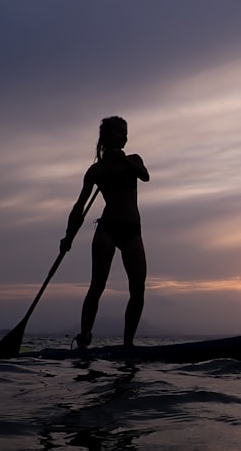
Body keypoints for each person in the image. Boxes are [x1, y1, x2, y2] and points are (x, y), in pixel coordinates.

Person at [60, 116, 150, 348]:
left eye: (125, 132)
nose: (124, 136)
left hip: (132, 230)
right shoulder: (97, 171)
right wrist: (68, 236)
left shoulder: (134, 160)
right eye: (118, 132)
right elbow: (79, 207)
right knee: (97, 285)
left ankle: (128, 345)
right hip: (107, 230)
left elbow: (145, 176)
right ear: (106, 137)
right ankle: (85, 337)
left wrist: (124, 162)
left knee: (138, 288)